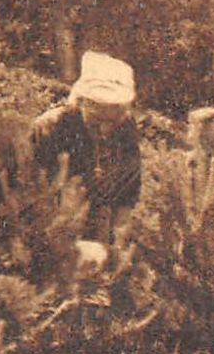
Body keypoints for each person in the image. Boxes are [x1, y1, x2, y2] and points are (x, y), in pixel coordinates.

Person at [29, 51, 142, 245]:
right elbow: (30, 192)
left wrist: (117, 244)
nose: (105, 128)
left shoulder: (126, 128)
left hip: (100, 227)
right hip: (52, 227)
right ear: (81, 102)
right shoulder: (50, 127)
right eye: (97, 119)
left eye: (114, 116)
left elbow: (128, 192)